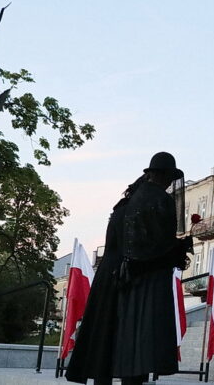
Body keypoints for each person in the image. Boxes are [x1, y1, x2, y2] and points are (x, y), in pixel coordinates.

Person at [66, 152, 192, 385]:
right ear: (163, 176)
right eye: (169, 178)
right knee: (136, 342)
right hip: (138, 278)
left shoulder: (126, 202)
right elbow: (153, 246)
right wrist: (180, 249)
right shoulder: (158, 200)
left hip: (109, 276)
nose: (170, 184)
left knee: (106, 338)